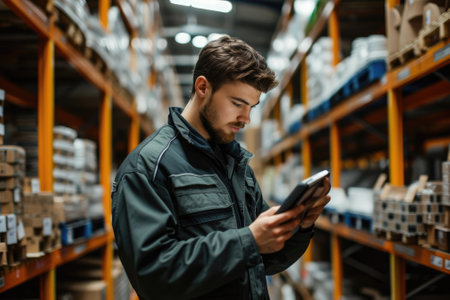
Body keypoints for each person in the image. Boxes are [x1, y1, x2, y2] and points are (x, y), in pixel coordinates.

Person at [111, 35, 330, 300]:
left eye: (252, 107)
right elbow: (153, 276)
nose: (246, 118)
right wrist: (248, 241)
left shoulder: (236, 165)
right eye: (237, 103)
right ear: (203, 87)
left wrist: (298, 228)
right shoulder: (148, 167)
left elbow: (265, 260)